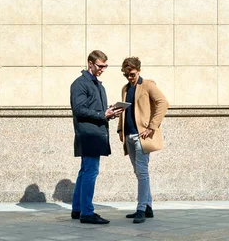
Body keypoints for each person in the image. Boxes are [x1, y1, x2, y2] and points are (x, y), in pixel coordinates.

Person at [70, 50, 122, 224]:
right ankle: (87, 212)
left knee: (84, 172)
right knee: (90, 172)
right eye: (100, 66)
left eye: (105, 66)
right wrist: (103, 114)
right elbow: (78, 109)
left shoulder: (98, 85)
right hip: (89, 135)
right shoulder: (80, 84)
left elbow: (97, 110)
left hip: (96, 134)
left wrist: (111, 112)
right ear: (90, 63)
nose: (102, 69)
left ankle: (78, 209)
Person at [117, 57, 169, 224]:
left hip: (142, 136)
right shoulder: (125, 88)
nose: (129, 78)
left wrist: (152, 126)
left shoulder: (147, 85)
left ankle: (141, 209)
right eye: (126, 75)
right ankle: (148, 207)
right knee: (139, 173)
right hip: (129, 136)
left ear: (138, 70)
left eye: (131, 74)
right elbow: (123, 110)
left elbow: (163, 103)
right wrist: (120, 129)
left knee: (142, 172)